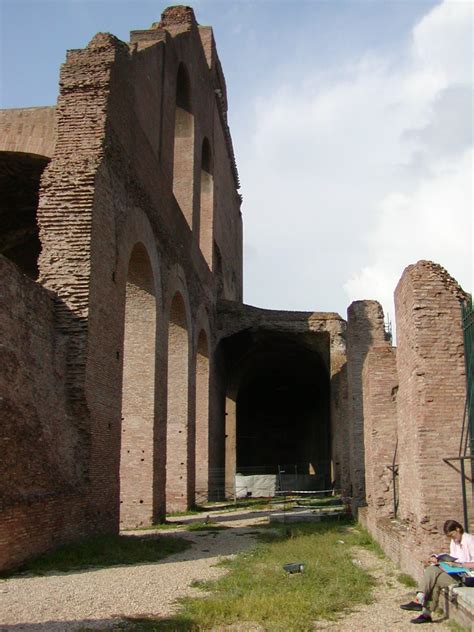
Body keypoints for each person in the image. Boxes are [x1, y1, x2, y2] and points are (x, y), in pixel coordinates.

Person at [400, 519, 474, 624]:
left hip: (468, 575)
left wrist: (459, 564)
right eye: (449, 536)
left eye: (452, 535)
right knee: (432, 570)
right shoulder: (454, 541)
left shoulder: (470, 540)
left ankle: (423, 609)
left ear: (458, 529)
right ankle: (422, 607)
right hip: (456, 572)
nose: (452, 538)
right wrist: (440, 559)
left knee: (434, 578)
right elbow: (454, 558)